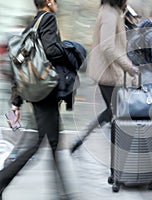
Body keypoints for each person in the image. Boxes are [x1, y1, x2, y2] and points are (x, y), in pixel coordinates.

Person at [0, 0, 81, 199]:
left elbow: (23, 68)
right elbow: (52, 50)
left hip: (36, 91)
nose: (56, 4)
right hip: (46, 92)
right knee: (45, 142)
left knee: (46, 141)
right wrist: (70, 51)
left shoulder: (31, 25)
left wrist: (16, 102)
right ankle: (63, 194)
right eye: (53, 0)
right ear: (47, 2)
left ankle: (62, 193)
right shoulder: (49, 19)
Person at [71, 0, 139, 153]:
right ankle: (118, 161)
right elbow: (107, 46)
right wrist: (129, 67)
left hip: (110, 72)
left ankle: (83, 139)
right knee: (117, 114)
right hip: (109, 73)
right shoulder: (109, 14)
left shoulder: (113, 12)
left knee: (113, 113)